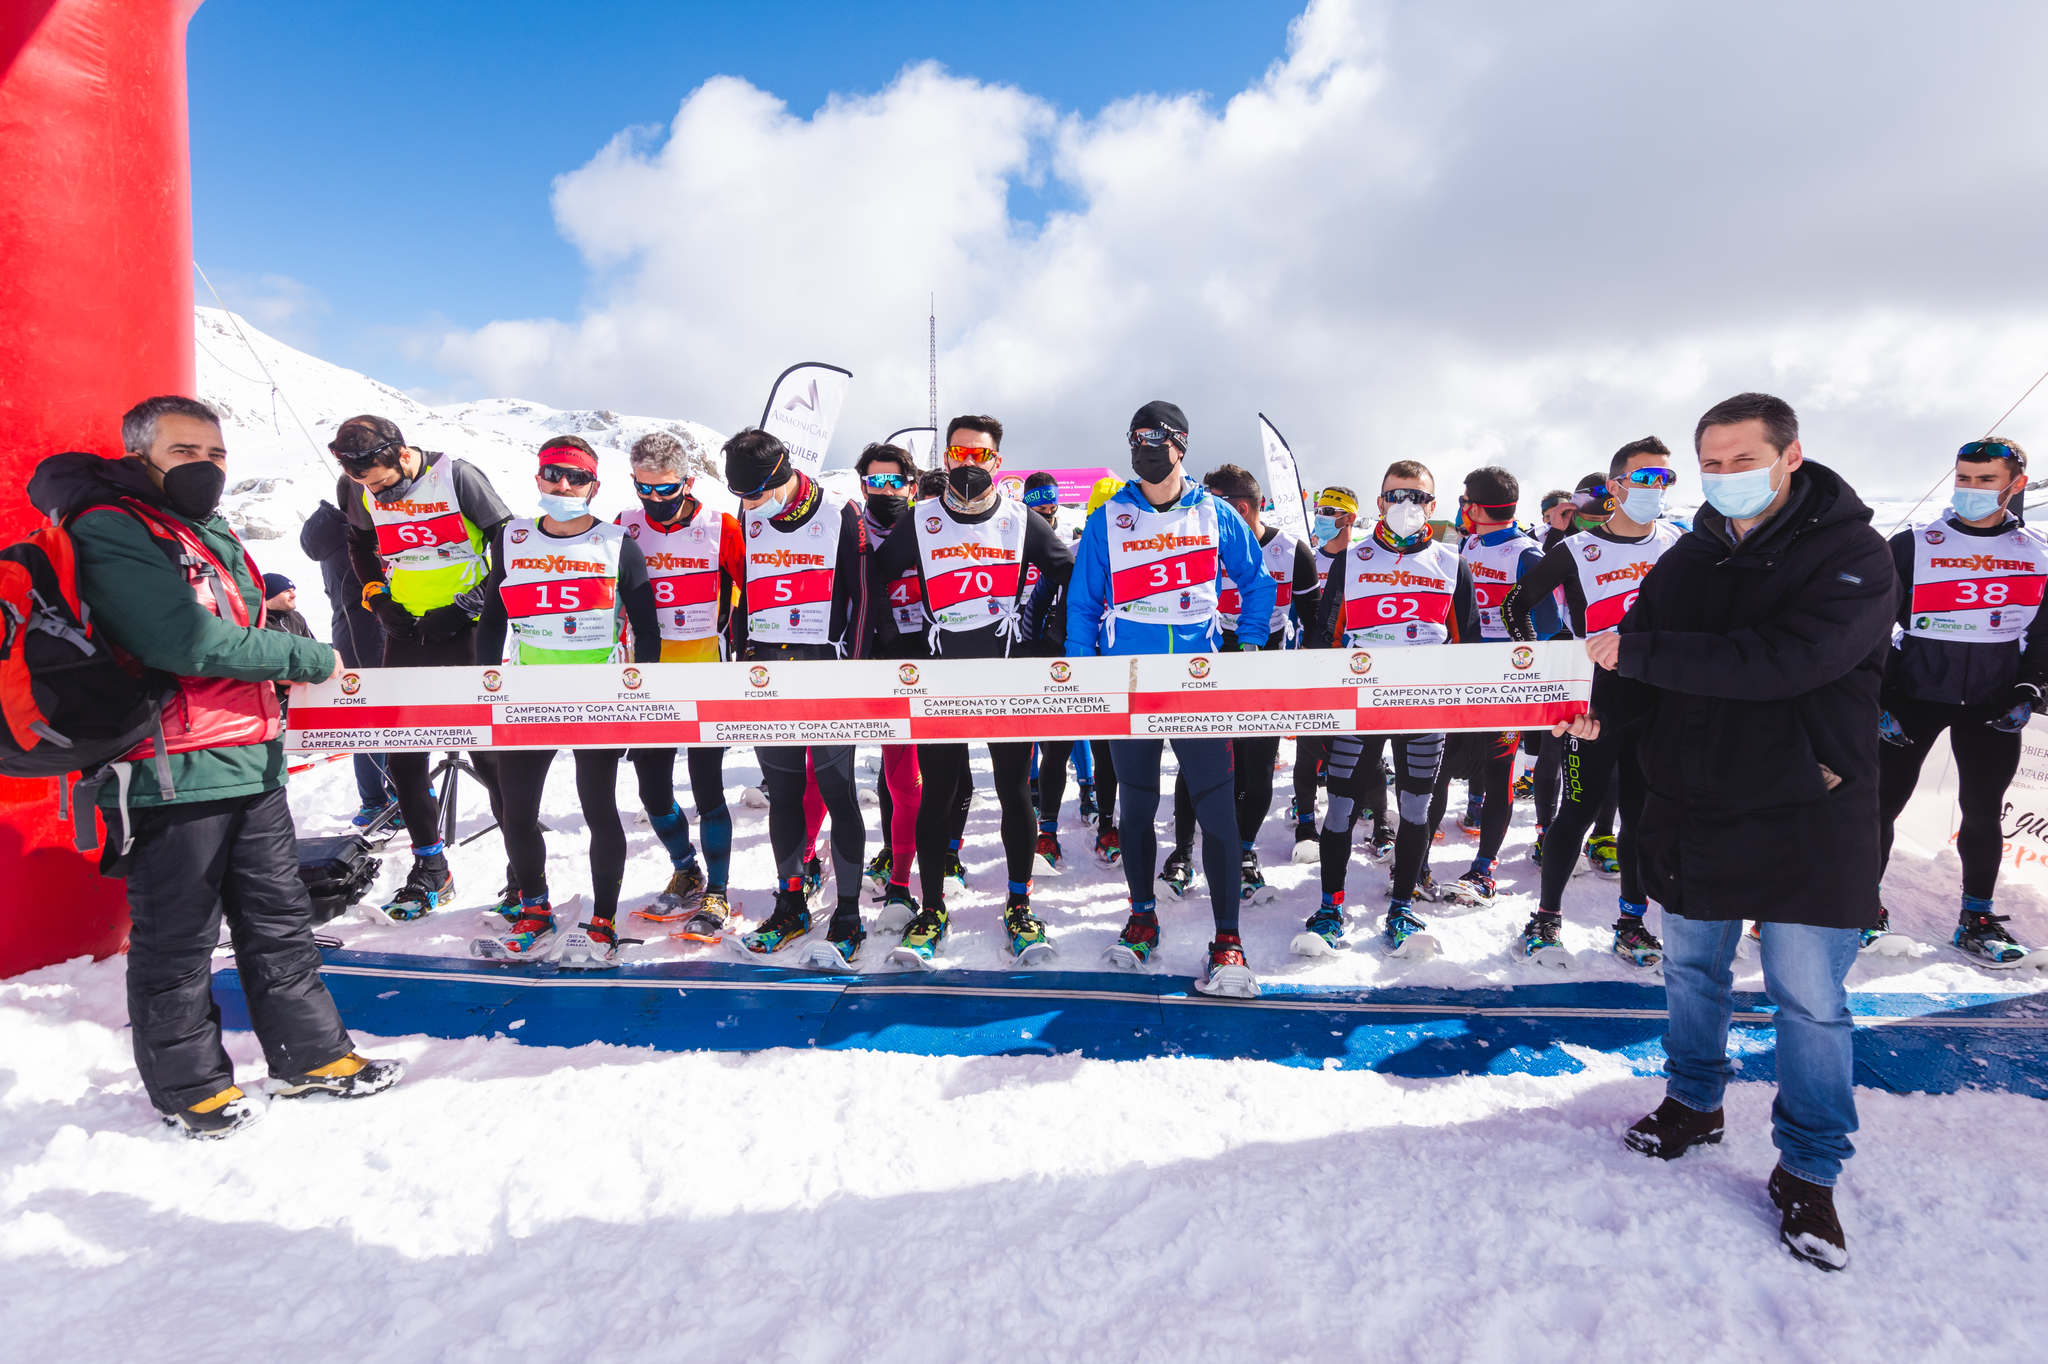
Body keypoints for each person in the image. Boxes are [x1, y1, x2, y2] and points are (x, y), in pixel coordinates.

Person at [26, 396, 402, 1138]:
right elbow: (185, 641)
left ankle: (313, 1058)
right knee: (178, 939)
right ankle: (190, 1089)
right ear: (141, 456)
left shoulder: (201, 529)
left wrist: (275, 614)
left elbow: (233, 623)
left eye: (217, 454)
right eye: (185, 452)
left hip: (250, 759)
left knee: (280, 923)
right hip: (171, 769)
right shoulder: (112, 527)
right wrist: (308, 655)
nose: (206, 466)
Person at [1609, 391, 1894, 1272]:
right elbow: (1634, 657)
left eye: (1744, 460)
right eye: (1714, 464)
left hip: (1811, 811)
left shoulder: (1854, 554)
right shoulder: (1687, 557)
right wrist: (1591, 713)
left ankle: (1808, 1169)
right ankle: (1694, 1104)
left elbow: (1789, 660)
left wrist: (1637, 659)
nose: (1727, 477)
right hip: (1696, 803)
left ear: (1790, 456)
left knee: (1809, 1000)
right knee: (1692, 969)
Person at [1065, 400, 1273, 997]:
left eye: (1156, 440)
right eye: (1135, 439)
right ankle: (1141, 915)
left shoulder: (1214, 514)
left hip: (1197, 684)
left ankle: (1228, 938)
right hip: (1129, 681)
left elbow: (1256, 583)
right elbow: (1083, 604)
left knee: (1216, 809)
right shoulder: (1109, 517)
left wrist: (1249, 648)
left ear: (1181, 445)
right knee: (1134, 805)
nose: (1145, 450)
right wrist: (1087, 679)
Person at [873, 415, 1072, 965]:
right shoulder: (921, 519)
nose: (968, 464)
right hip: (943, 679)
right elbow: (875, 577)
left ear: (997, 463)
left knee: (1014, 791)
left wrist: (1047, 641)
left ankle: (1018, 903)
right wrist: (897, 643)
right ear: (947, 456)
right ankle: (932, 907)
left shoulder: (1021, 519)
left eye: (979, 456)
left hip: (1006, 679)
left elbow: (1070, 573)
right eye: (959, 454)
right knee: (939, 793)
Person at [469, 437, 662, 965]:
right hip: (528, 694)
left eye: (576, 478)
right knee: (517, 810)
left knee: (599, 808)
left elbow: (647, 629)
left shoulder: (617, 542)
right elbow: (493, 619)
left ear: (593, 487)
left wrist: (638, 695)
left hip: (595, 696)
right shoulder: (512, 539)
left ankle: (602, 921)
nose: (564, 486)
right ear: (538, 479)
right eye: (554, 475)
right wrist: (484, 682)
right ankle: (534, 911)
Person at [1501, 441, 1683, 968]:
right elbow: (1517, 604)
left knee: (1641, 819)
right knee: (1576, 811)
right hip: (1595, 709)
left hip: (1660, 704)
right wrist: (1550, 677)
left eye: (1666, 480)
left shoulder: (1676, 542)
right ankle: (1545, 919)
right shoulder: (1579, 549)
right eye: (1646, 478)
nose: (1657, 489)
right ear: (1616, 485)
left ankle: (1631, 922)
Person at [1875, 437, 2046, 966]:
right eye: (1963, 478)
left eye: (1984, 479)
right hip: (1915, 696)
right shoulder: (1913, 544)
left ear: (2015, 485)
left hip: (1992, 703)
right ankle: (1861, 907)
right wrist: (1877, 695)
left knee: (1982, 811)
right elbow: (1871, 626)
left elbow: (2043, 634)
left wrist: (2030, 688)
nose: (1970, 489)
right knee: (1880, 806)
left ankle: (1976, 917)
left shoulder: (2036, 551)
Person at [1298, 460, 1479, 959]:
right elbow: (1324, 640)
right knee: (1339, 807)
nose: (1406, 506)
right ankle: (1330, 907)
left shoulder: (1450, 563)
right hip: (1357, 709)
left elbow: (1471, 648)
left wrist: (1463, 722)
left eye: (1417, 497)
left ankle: (1402, 904)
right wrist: (1319, 712)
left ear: (1433, 506)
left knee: (1416, 809)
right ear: (1379, 502)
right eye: (1396, 496)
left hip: (1422, 710)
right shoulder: (1350, 560)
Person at [335, 414, 513, 919]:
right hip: (407, 631)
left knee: (488, 757)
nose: (375, 491)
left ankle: (521, 872)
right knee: (404, 756)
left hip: (468, 627)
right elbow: (359, 542)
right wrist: (377, 597)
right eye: (363, 483)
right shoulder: (357, 484)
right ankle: (431, 867)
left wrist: (470, 603)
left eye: (380, 480)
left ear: (402, 452)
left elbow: (509, 541)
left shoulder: (457, 476)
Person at [724, 429, 871, 964]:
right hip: (767, 671)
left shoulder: (840, 512)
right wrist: (741, 660)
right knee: (784, 794)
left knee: (837, 792)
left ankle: (850, 912)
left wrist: (851, 675)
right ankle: (791, 904)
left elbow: (862, 599)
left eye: (757, 493)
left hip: (825, 669)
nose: (749, 505)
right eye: (742, 496)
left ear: (783, 469)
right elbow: (741, 597)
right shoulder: (748, 512)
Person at [1158, 463, 1319, 904]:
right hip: (1208, 660)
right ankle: (1184, 854)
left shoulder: (1290, 551)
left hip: (1263, 663)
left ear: (1245, 509)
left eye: (1222, 510)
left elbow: (1317, 620)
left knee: (1256, 763)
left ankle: (1245, 851)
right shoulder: (1198, 541)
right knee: (1197, 758)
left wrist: (1311, 673)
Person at [612, 431, 746, 941]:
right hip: (646, 675)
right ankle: (685, 867)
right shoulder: (624, 526)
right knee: (652, 788)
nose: (653, 500)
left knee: (707, 785)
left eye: (664, 490)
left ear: (688, 482)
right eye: (643, 488)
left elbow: (750, 593)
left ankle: (719, 888)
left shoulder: (720, 526)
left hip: (702, 670)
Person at [1432, 466, 1560, 907]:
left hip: (1506, 680)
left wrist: (1516, 656)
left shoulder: (1526, 554)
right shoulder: (1467, 544)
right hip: (1465, 673)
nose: (1461, 508)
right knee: (1444, 760)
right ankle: (1418, 857)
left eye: (1465, 501)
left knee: (1499, 768)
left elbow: (1548, 625)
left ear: (1478, 507)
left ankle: (1485, 867)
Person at [851, 440, 927, 934]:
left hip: (916, 663)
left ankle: (904, 879)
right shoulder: (849, 528)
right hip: (860, 660)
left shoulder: (931, 523)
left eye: (893, 481)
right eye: (874, 481)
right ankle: (813, 870)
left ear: (911, 484)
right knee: (825, 774)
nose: (884, 489)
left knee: (907, 776)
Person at [1293, 485, 1390, 863]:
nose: (1322, 516)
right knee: (1308, 747)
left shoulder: (1364, 559)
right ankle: (1305, 823)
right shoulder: (1307, 558)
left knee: (1369, 749)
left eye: (1331, 511)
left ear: (1351, 517)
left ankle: (1382, 822)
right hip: (1313, 666)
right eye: (1319, 509)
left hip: (1354, 668)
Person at [299, 487, 397, 827]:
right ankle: (380, 800)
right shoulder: (353, 535)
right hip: (370, 632)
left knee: (372, 721)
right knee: (379, 722)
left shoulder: (330, 532)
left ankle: (382, 797)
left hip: (354, 632)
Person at [260, 573, 312, 638]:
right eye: (287, 591)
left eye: (293, 591)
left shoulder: (296, 618)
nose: (293, 595)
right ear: (270, 596)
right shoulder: (259, 623)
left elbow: (312, 645)